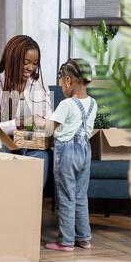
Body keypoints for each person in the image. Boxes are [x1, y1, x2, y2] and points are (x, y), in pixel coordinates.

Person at [0, 35, 53, 186]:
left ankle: (30, 203)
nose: (31, 68)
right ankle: (4, 202)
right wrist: (19, 123)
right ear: (12, 60)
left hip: (30, 141)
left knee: (40, 156)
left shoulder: (39, 84)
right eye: (26, 62)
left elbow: (48, 117)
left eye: (35, 63)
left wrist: (49, 124)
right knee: (0, 151)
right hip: (2, 142)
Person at [38, 59, 97, 251]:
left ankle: (65, 241)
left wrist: (39, 122)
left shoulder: (66, 104)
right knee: (81, 196)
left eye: (62, 81)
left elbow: (49, 130)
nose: (62, 85)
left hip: (67, 152)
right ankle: (84, 238)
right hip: (85, 151)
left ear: (69, 80)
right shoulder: (93, 103)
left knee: (66, 197)